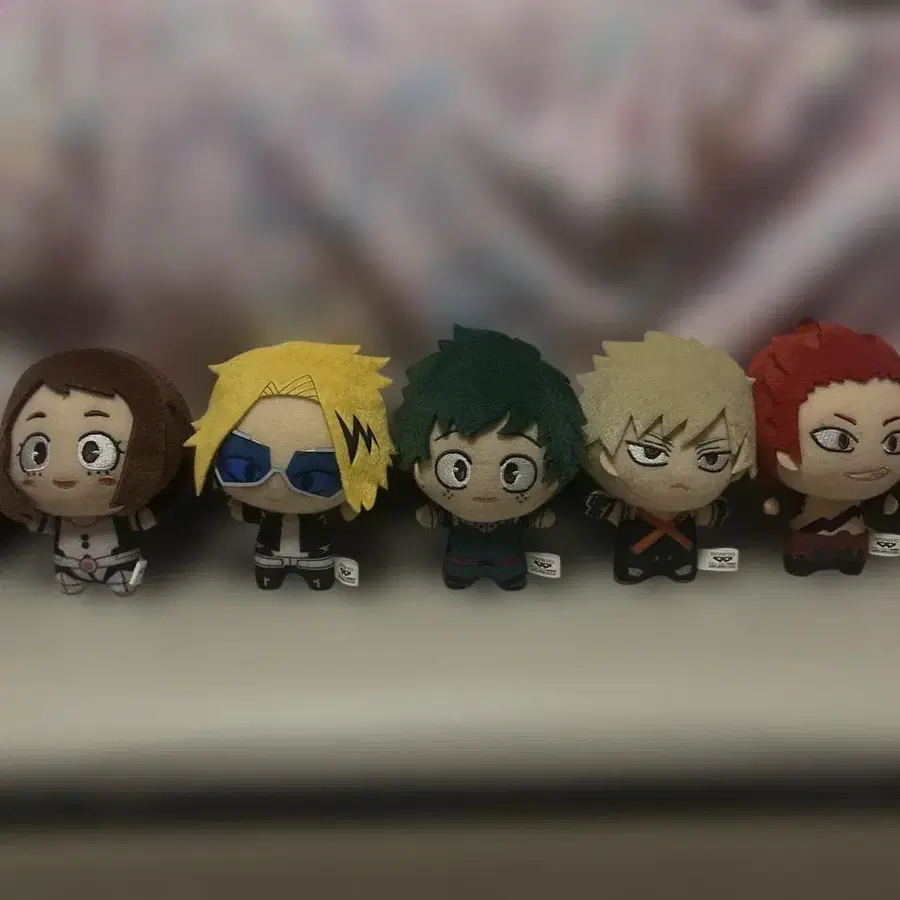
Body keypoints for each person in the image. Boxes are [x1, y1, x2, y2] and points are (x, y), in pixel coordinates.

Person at [187, 341, 392, 591]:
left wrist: (351, 508)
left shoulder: (319, 513)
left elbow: (343, 514)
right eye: (246, 468)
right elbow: (247, 513)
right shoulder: (266, 512)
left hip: (315, 557)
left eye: (312, 477)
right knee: (269, 579)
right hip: (269, 556)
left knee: (318, 580)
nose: (275, 490)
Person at [392, 325, 585, 590]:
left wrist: (538, 518)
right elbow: (436, 517)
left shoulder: (516, 511)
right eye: (456, 469)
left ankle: (506, 576)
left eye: (514, 472)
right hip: (462, 556)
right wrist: (432, 516)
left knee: (509, 572)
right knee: (462, 570)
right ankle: (463, 574)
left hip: (508, 557)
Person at [0, 349, 192, 595]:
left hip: (118, 563)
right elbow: (36, 524)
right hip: (67, 565)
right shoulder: (52, 519)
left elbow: (151, 516)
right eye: (36, 452)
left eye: (96, 450)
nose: (64, 474)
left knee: (123, 580)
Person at [578, 332, 755, 584]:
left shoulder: (692, 510)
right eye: (650, 452)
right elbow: (609, 511)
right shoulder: (630, 507)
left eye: (712, 458)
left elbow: (713, 515)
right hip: (635, 554)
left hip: (681, 554)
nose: (682, 473)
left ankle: (677, 569)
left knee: (679, 564)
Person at [748, 320, 900, 576]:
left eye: (894, 441)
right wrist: (773, 504)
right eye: (838, 440)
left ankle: (847, 560)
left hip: (853, 534)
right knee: (803, 555)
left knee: (850, 556)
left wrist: (886, 503)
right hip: (807, 532)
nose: (871, 459)